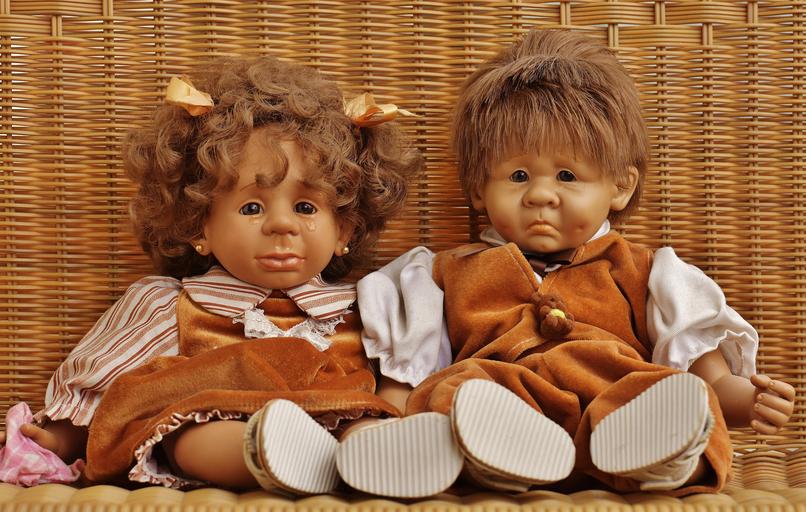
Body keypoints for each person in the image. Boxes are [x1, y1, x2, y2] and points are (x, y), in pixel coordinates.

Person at [336, 29, 796, 498]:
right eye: (518, 175)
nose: (540, 194)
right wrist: (383, 427)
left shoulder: (652, 274)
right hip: (500, 405)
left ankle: (659, 456)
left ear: (620, 186)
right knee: (458, 389)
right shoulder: (437, 277)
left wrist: (749, 401)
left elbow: (708, 378)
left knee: (672, 396)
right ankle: (488, 457)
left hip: (616, 410)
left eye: (567, 175)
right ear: (478, 188)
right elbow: (406, 377)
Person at [0, 55, 423, 494]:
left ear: (345, 230)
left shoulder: (368, 305)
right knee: (193, 438)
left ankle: (367, 455)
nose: (282, 225)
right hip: (221, 416)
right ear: (198, 226)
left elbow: (405, 374)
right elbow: (105, 378)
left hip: (338, 412)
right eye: (252, 207)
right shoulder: (175, 304)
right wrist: (61, 438)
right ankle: (278, 456)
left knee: (366, 422)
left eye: (305, 207)